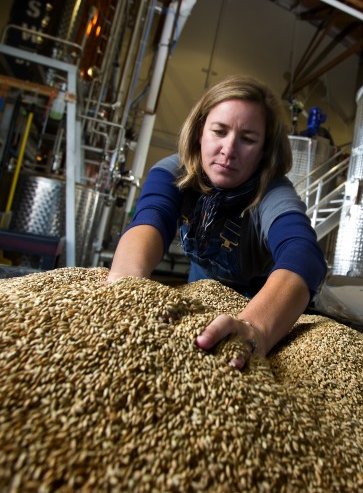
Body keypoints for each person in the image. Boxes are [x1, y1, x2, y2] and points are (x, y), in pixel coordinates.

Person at [108, 75, 327, 370]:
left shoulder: (273, 193)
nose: (229, 149)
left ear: (264, 152)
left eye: (248, 139)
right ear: (200, 132)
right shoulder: (174, 172)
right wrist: (126, 284)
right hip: (199, 293)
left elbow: (303, 254)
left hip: (265, 309)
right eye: (219, 131)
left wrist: (256, 328)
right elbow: (151, 218)